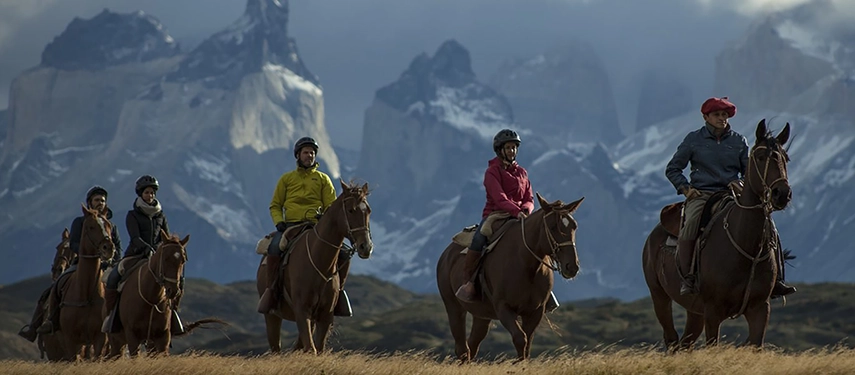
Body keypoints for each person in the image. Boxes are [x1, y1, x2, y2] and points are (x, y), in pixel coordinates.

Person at [665, 96, 796, 297]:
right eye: (717, 114)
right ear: (706, 117)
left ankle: (777, 279)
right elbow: (673, 168)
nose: (722, 118)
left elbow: (750, 171)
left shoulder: (738, 141)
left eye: (725, 115)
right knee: (691, 223)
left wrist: (742, 183)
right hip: (702, 194)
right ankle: (688, 277)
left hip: (732, 194)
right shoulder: (693, 140)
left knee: (768, 224)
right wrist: (686, 189)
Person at [455, 129, 560, 312]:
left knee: (540, 238)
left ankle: (545, 289)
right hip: (496, 215)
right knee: (480, 238)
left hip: (520, 215)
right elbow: (499, 197)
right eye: (508, 148)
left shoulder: (522, 172)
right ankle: (469, 283)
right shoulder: (492, 172)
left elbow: (529, 197)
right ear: (500, 150)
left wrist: (526, 210)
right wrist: (515, 210)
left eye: (514, 147)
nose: (512, 151)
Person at [258, 136, 353, 316]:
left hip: (315, 227)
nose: (309, 156)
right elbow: (275, 205)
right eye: (305, 152)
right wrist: (279, 221)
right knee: (274, 248)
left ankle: (338, 294)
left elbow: (331, 208)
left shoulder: (323, 180)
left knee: (344, 254)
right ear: (298, 156)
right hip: (291, 226)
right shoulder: (286, 179)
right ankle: (272, 291)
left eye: (312, 153)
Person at [101, 175, 183, 334]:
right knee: (113, 278)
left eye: (152, 192)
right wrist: (146, 248)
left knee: (177, 275)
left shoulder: (161, 216)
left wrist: (159, 249)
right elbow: (135, 237)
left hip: (158, 256)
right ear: (140, 194)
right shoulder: (132, 215)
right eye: (147, 192)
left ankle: (172, 314)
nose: (150, 195)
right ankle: (111, 317)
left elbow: (164, 237)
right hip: (135, 254)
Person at [36, 185, 122, 334]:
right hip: (83, 264)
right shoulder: (79, 222)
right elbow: (74, 243)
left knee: (121, 289)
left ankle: (120, 326)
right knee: (58, 284)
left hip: (106, 266)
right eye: (97, 200)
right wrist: (86, 253)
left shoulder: (111, 225)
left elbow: (117, 246)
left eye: (102, 200)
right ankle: (51, 320)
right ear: (89, 202)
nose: (100, 203)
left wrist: (112, 261)